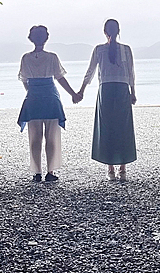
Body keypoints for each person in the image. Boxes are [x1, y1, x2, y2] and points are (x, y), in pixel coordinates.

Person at [75, 18, 137, 182]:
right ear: (118, 31)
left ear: (105, 32)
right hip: (122, 89)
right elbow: (131, 72)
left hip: (106, 90)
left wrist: (81, 90)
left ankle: (110, 168)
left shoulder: (99, 49)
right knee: (123, 127)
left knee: (107, 127)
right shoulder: (126, 49)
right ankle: (122, 169)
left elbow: (90, 72)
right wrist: (133, 92)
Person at [17, 25, 78, 182]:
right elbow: (60, 78)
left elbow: (24, 80)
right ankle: (50, 171)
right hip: (51, 97)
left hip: (33, 98)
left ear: (31, 39)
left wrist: (32, 91)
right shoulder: (52, 57)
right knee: (52, 137)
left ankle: (36, 172)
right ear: (46, 38)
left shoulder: (25, 58)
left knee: (34, 137)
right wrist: (73, 94)